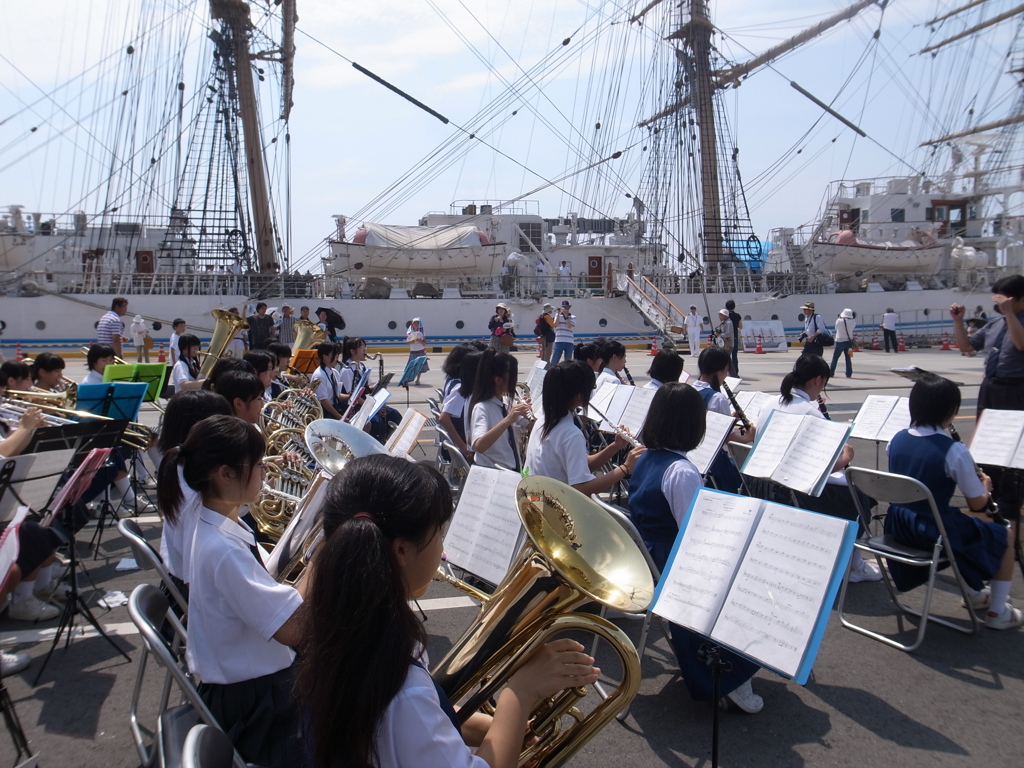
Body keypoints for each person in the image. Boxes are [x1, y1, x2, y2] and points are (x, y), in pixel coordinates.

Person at [299, 454, 599, 768]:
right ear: (401, 550)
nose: (442, 547)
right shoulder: (402, 692)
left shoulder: (335, 625)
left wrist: (492, 726)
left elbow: (412, 721)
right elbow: (409, 713)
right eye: (439, 533)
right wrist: (520, 693)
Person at [156, 415, 305, 766]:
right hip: (257, 705)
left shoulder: (215, 521)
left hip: (245, 687)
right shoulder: (221, 549)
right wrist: (325, 549)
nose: (264, 472)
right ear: (224, 474)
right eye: (256, 465)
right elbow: (294, 629)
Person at [628, 382, 764, 713]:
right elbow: (698, 537)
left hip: (646, 559)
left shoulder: (645, 459)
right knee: (750, 575)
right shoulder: (681, 471)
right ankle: (730, 677)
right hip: (673, 566)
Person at [885, 376, 1021, 629]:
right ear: (950, 411)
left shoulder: (896, 440)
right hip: (932, 531)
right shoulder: (953, 450)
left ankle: (974, 593)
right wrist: (986, 488)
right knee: (1004, 532)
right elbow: (979, 504)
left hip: (900, 524)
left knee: (965, 521)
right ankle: (997, 612)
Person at [951, 275, 1024, 527]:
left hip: (1016, 390)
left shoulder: (1014, 322)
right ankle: (989, 494)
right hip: (990, 388)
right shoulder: (994, 325)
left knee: (1011, 448)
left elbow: (1021, 344)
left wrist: (1010, 315)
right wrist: (958, 321)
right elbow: (966, 346)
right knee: (987, 444)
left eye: (1004, 297)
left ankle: (1012, 503)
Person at [152, 390, 233, 598]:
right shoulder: (197, 499)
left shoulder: (179, 468)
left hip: (185, 581)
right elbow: (197, 581)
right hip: (195, 596)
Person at [525, 361, 644, 493]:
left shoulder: (542, 421)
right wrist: (626, 468)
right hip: (554, 507)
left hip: (536, 499)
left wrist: (615, 446)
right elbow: (581, 488)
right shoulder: (570, 433)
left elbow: (583, 464)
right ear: (579, 395)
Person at [691, 347, 755, 493]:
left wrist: (728, 418)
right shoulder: (718, 399)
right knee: (746, 481)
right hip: (713, 461)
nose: (726, 376)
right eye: (726, 371)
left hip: (694, 454)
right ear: (718, 371)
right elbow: (726, 437)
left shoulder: (691, 389)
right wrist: (748, 438)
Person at [469, 350, 531, 470]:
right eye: (513, 377)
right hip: (494, 472)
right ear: (498, 380)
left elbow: (530, 427)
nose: (516, 381)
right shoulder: (482, 407)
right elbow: (479, 446)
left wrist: (528, 413)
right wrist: (508, 419)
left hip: (512, 469)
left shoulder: (508, 402)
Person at [440, 351, 482, 462]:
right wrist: (463, 447)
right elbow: (443, 418)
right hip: (464, 448)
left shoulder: (460, 385)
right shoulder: (461, 390)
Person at [314, 342, 347, 420]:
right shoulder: (319, 375)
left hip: (336, 409)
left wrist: (351, 396)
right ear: (325, 356)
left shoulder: (335, 372)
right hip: (325, 413)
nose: (337, 359)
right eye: (335, 356)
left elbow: (337, 395)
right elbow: (324, 401)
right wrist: (340, 417)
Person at [830, 308, 856, 379]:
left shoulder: (839, 320)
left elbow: (836, 328)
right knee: (848, 358)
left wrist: (840, 318)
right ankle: (849, 373)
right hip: (849, 342)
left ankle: (831, 372)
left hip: (840, 341)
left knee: (835, 358)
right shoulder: (853, 321)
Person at [551, 301, 576, 365]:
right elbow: (555, 324)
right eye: (563, 307)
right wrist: (559, 313)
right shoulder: (557, 315)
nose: (565, 309)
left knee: (568, 361)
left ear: (569, 308)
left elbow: (569, 326)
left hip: (569, 341)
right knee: (555, 359)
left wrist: (566, 317)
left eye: (566, 307)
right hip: (559, 340)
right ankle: (551, 372)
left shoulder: (573, 317)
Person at [406, 318, 428, 386]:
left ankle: (418, 380)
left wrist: (419, 340)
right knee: (410, 366)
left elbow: (424, 343)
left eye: (417, 323)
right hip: (413, 351)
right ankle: (407, 379)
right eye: (415, 323)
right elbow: (407, 341)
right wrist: (411, 341)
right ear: (412, 324)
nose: (416, 324)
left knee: (419, 367)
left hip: (420, 350)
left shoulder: (421, 332)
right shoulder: (410, 332)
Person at [725, 299, 742, 376]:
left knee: (726, 356)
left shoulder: (725, 316)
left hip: (727, 339)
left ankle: (728, 372)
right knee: (734, 356)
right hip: (735, 337)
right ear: (734, 307)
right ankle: (735, 372)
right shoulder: (737, 316)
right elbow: (741, 326)